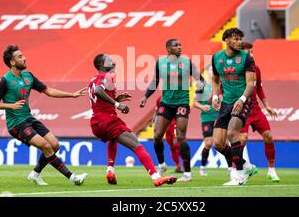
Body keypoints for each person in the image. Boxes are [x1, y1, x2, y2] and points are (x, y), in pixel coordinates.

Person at [0, 45, 88, 186]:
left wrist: (72, 94)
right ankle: (73, 178)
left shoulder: (28, 76)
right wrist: (10, 106)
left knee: (54, 145)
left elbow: (49, 91)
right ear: (12, 62)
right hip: (16, 123)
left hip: (28, 118)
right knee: (45, 146)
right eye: (20, 56)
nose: (24, 58)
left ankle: (35, 174)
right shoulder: (3, 81)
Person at [89, 53, 177, 187]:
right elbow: (98, 91)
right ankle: (156, 177)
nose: (112, 60)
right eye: (108, 59)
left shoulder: (93, 79)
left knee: (113, 139)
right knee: (136, 145)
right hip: (108, 120)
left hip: (96, 123)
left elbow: (98, 98)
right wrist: (118, 105)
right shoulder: (105, 76)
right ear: (101, 64)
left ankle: (110, 171)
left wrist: (117, 99)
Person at [139, 38, 205, 182]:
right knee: (157, 135)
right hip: (166, 103)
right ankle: (162, 164)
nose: (179, 47)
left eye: (180, 45)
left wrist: (199, 84)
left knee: (181, 136)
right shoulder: (161, 63)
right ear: (168, 49)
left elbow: (200, 78)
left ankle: (187, 174)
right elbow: (154, 81)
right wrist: (145, 96)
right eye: (176, 45)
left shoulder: (187, 62)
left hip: (182, 103)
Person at [211, 28, 256, 186]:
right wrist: (216, 96)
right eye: (236, 39)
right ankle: (245, 165)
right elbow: (216, 80)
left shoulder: (247, 58)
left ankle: (238, 175)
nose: (239, 42)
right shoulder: (216, 58)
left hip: (242, 100)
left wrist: (242, 99)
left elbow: (251, 83)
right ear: (227, 40)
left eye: (240, 39)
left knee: (232, 133)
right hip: (226, 102)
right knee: (217, 143)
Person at [240, 42, 280, 182]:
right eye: (248, 52)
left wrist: (267, 105)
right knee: (242, 140)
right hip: (241, 110)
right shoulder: (235, 70)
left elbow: (259, 89)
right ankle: (241, 170)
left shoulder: (256, 69)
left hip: (256, 110)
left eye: (252, 52)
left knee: (268, 136)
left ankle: (271, 170)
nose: (251, 54)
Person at [193, 66, 219, 176]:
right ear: (208, 72)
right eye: (211, 71)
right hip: (207, 117)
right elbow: (194, 103)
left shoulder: (221, 85)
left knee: (224, 142)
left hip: (219, 117)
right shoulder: (202, 85)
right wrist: (202, 107)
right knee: (208, 143)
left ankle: (231, 168)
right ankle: (203, 167)